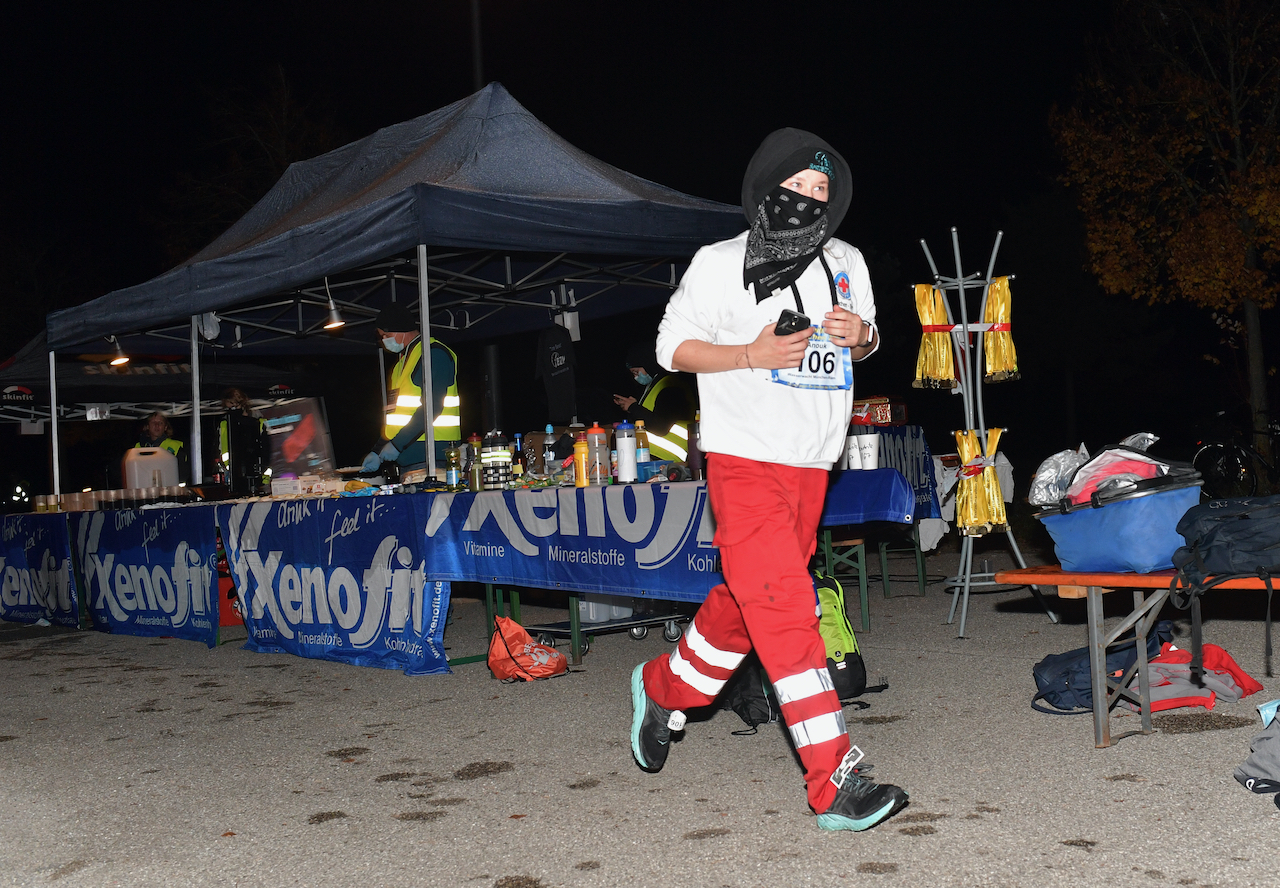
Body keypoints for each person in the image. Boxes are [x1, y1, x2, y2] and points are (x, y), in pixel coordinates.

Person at [629, 128, 908, 831]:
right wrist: (750, 353)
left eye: (821, 192)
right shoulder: (720, 262)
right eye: (796, 188)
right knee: (786, 605)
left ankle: (662, 688)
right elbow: (670, 348)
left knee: (744, 600)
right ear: (766, 188)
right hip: (742, 456)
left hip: (814, 461)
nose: (808, 200)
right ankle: (834, 779)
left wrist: (861, 338)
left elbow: (870, 335)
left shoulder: (846, 259)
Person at [361, 302, 460, 472]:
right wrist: (377, 450)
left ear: (400, 329)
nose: (384, 341)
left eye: (386, 335)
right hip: (409, 460)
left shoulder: (433, 354)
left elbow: (432, 407)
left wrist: (397, 445)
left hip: (433, 460)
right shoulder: (401, 365)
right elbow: (398, 417)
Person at [612, 343, 697, 462]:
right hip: (653, 459)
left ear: (648, 365)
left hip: (670, 461)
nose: (636, 377)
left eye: (637, 372)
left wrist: (633, 407)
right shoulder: (654, 386)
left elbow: (660, 426)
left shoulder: (671, 387)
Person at [217, 388, 270, 495]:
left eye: (235, 406)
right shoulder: (224, 423)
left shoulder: (258, 423)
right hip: (233, 477)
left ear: (241, 404)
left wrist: (264, 479)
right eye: (229, 407)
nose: (232, 410)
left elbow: (266, 451)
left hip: (256, 478)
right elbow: (221, 448)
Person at [135, 411, 189, 483]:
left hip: (169, 490)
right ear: (147, 426)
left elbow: (183, 475)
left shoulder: (176, 446)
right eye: (153, 422)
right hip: (145, 490)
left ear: (165, 427)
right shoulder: (137, 447)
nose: (157, 425)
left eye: (160, 423)